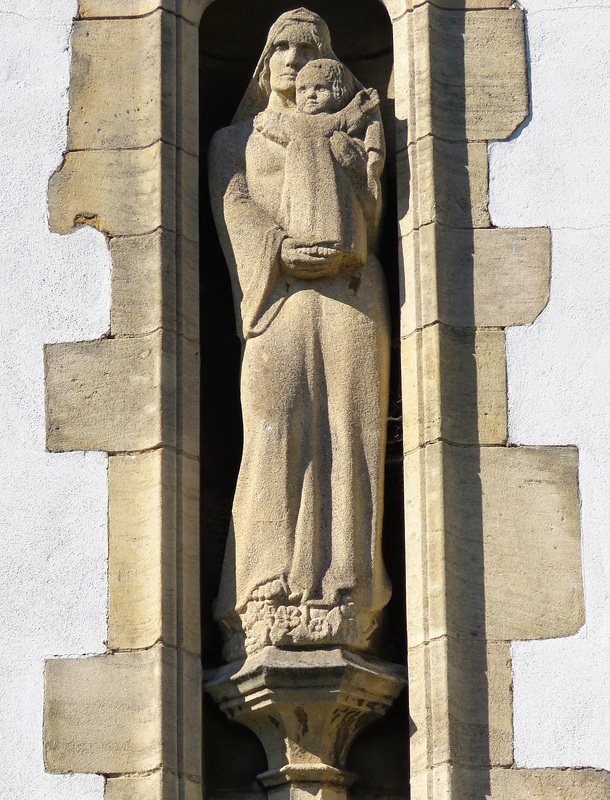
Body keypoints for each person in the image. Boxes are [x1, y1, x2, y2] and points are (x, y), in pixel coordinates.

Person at [208, 8, 391, 662]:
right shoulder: (236, 142)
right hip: (277, 301)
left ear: (326, 61)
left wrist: (359, 157)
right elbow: (236, 212)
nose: (290, 57)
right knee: (273, 427)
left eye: (305, 47)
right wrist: (281, 252)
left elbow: (371, 209)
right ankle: (263, 597)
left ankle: (348, 595)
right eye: (278, 45)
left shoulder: (352, 129)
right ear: (263, 58)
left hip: (346, 292)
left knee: (352, 429)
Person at [254, 57, 382, 270]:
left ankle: (331, 241)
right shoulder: (311, 123)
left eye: (320, 88)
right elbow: (301, 127)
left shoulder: (326, 123)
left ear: (337, 92)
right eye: (303, 89)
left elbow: (323, 126)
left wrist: (357, 111)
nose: (310, 94)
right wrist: (355, 111)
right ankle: (307, 239)